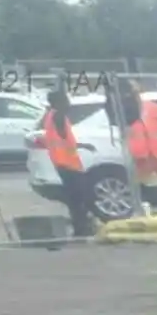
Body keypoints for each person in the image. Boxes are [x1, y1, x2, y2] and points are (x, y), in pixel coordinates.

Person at [42, 88, 94, 236]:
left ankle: (80, 227)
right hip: (67, 163)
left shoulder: (51, 116)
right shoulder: (58, 116)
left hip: (63, 162)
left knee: (75, 198)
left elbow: (64, 140)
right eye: (65, 100)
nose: (68, 103)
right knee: (79, 197)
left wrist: (81, 145)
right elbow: (63, 136)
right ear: (58, 103)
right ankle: (81, 229)